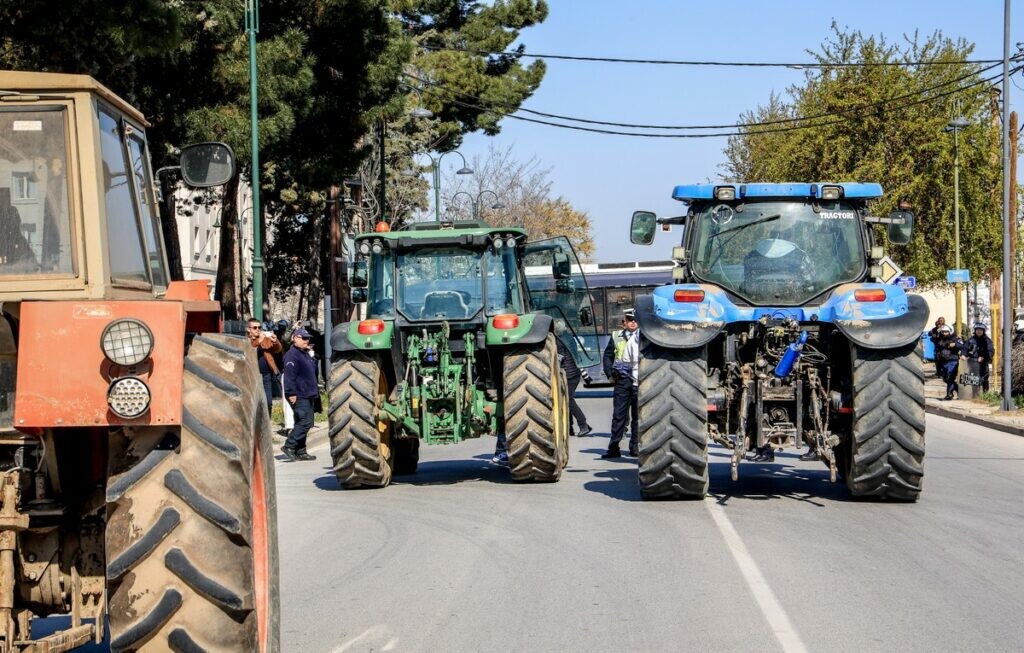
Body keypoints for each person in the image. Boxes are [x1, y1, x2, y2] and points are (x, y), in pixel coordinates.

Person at [601, 309, 640, 458]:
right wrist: (610, 374)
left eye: (635, 320)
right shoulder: (616, 336)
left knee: (637, 416)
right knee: (619, 415)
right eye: (630, 320)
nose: (633, 323)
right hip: (622, 379)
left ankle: (635, 447)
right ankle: (614, 446)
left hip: (638, 379)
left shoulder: (643, 336)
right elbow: (608, 356)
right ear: (624, 322)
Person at [282, 327, 319, 461]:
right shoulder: (292, 355)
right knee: (305, 421)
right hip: (298, 393)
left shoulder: (304, 353)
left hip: (307, 393)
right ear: (295, 338)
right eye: (303, 338)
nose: (306, 340)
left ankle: (301, 451)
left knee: (304, 422)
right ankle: (289, 446)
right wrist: (291, 392)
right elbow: (289, 376)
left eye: (307, 338)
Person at [554, 319, 592, 437]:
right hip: (574, 374)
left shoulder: (559, 340)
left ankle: (583, 425)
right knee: (566, 400)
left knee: (569, 400)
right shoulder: (568, 337)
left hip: (569, 374)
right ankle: (569, 427)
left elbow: (559, 358)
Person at [247, 318, 282, 418]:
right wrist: (259, 341)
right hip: (252, 376)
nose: (257, 329)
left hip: (266, 374)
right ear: (249, 329)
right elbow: (249, 350)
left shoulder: (264, 338)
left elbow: (277, 350)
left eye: (259, 327)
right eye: (254, 327)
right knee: (255, 403)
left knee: (268, 401)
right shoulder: (246, 340)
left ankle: (268, 423)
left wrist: (275, 341)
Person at [933, 324, 962, 400]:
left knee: (950, 377)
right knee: (945, 378)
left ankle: (949, 394)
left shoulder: (955, 338)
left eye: (946, 332)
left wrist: (955, 344)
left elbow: (962, 345)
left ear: (950, 331)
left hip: (953, 361)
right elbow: (933, 336)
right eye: (943, 332)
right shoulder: (940, 339)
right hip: (943, 361)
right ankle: (960, 390)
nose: (945, 333)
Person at [963, 322, 994, 392]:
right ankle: (975, 395)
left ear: (983, 331)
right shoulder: (970, 340)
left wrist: (983, 357)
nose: (979, 331)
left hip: (983, 363)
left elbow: (990, 351)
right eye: (977, 330)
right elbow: (964, 348)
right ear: (975, 330)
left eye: (981, 330)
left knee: (984, 378)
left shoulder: (987, 341)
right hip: (972, 362)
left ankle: (986, 395)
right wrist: (963, 355)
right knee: (973, 378)